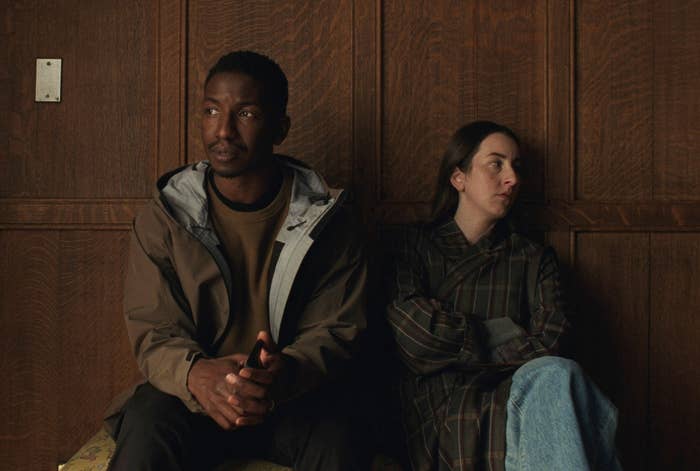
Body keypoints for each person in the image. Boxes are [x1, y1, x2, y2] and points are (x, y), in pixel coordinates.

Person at [104, 50, 369, 471]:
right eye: (211, 111)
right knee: (146, 423)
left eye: (246, 114)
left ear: (280, 128)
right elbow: (154, 330)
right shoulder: (165, 217)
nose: (223, 130)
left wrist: (285, 371)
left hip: (289, 397)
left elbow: (335, 330)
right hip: (191, 399)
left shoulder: (328, 219)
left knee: (340, 437)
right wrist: (196, 374)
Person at [385, 121, 621, 471]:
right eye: (496, 164)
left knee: (559, 376)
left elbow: (552, 341)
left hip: (523, 398)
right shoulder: (411, 246)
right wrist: (506, 330)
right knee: (572, 396)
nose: (512, 178)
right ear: (459, 177)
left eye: (516, 166)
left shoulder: (534, 258)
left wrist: (459, 348)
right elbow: (416, 337)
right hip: (440, 414)